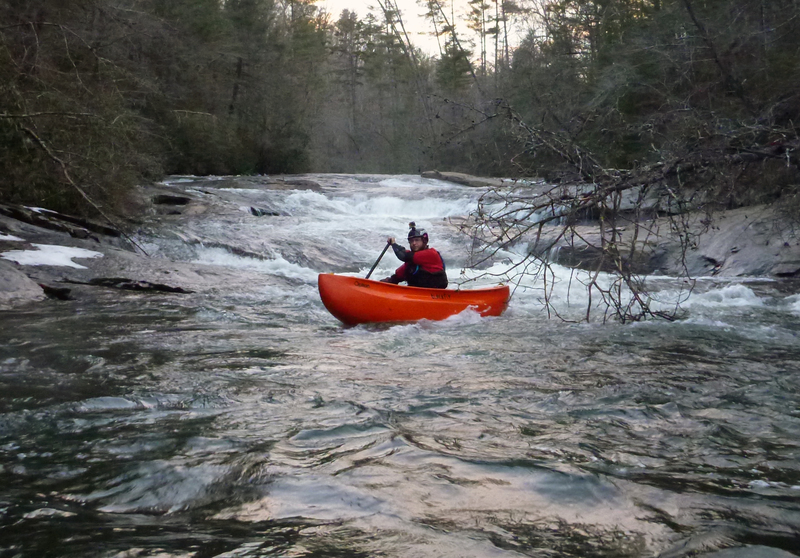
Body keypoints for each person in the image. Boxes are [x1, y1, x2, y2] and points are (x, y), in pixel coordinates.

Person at [380, 222, 448, 289]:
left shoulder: (432, 254)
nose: (414, 243)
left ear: (424, 241)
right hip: (416, 294)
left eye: (417, 240)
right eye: (411, 241)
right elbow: (397, 276)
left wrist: (394, 244)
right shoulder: (412, 262)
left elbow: (404, 255)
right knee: (409, 269)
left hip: (435, 295)